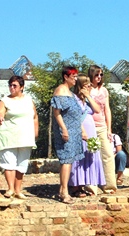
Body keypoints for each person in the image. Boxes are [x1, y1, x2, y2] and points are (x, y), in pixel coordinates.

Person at [0, 75, 38, 199]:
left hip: (25, 136)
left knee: (22, 164)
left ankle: (18, 190)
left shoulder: (29, 100)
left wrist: (36, 132)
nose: (12, 88)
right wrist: (0, 116)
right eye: (10, 85)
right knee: (9, 163)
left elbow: (35, 116)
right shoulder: (5, 100)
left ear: (22, 87)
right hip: (9, 135)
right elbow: (0, 111)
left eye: (15, 85)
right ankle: (10, 189)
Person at [50, 66, 85, 204]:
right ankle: (63, 191)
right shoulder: (60, 91)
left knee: (70, 160)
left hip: (74, 130)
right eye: (73, 76)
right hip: (66, 131)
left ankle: (63, 189)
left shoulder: (70, 92)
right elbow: (57, 113)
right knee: (66, 160)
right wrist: (64, 129)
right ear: (66, 76)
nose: (76, 79)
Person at [69, 74, 104, 197]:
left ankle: (84, 184)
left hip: (91, 132)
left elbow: (97, 110)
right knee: (78, 157)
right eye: (87, 85)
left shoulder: (87, 100)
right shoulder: (73, 99)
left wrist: (88, 96)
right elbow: (74, 116)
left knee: (88, 157)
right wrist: (82, 130)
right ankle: (75, 186)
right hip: (80, 131)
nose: (89, 87)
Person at [88, 65, 117, 193]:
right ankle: (91, 185)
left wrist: (109, 128)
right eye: (96, 75)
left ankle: (109, 184)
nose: (99, 77)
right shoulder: (87, 90)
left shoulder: (104, 90)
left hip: (102, 126)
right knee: (91, 155)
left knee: (108, 154)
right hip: (89, 125)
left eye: (101, 75)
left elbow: (107, 109)